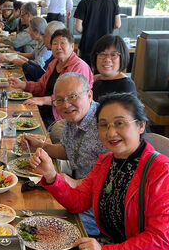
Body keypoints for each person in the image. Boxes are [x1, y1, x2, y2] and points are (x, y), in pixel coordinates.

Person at [30, 93, 169, 250]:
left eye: (120, 123)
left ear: (141, 126)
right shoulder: (106, 161)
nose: (111, 133)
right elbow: (78, 202)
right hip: (109, 248)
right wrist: (51, 175)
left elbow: (160, 239)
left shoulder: (163, 171)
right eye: (103, 125)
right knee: (37, 248)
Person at [23, 73, 108, 235]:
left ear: (89, 95)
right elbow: (67, 150)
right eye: (59, 100)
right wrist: (39, 145)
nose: (66, 105)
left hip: (96, 208)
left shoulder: (105, 125)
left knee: (38, 227)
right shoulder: (73, 117)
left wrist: (77, 183)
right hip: (76, 194)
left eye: (73, 97)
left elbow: (113, 177)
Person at [9, 28, 92, 128]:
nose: (58, 47)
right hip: (48, 109)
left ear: (72, 46)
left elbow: (69, 98)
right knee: (13, 113)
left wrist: (42, 100)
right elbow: (41, 86)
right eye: (55, 43)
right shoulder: (54, 63)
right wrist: (22, 84)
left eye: (62, 43)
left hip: (63, 115)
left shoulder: (79, 66)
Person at [74, 0, 121, 66]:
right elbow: (117, 24)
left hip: (87, 46)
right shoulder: (113, 0)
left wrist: (88, 31)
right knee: (102, 72)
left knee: (85, 72)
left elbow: (78, 27)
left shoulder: (84, 2)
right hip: (106, 46)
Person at [91, 35, 136, 101]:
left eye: (113, 55)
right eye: (102, 54)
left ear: (122, 57)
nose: (107, 59)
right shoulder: (94, 80)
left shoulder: (126, 86)